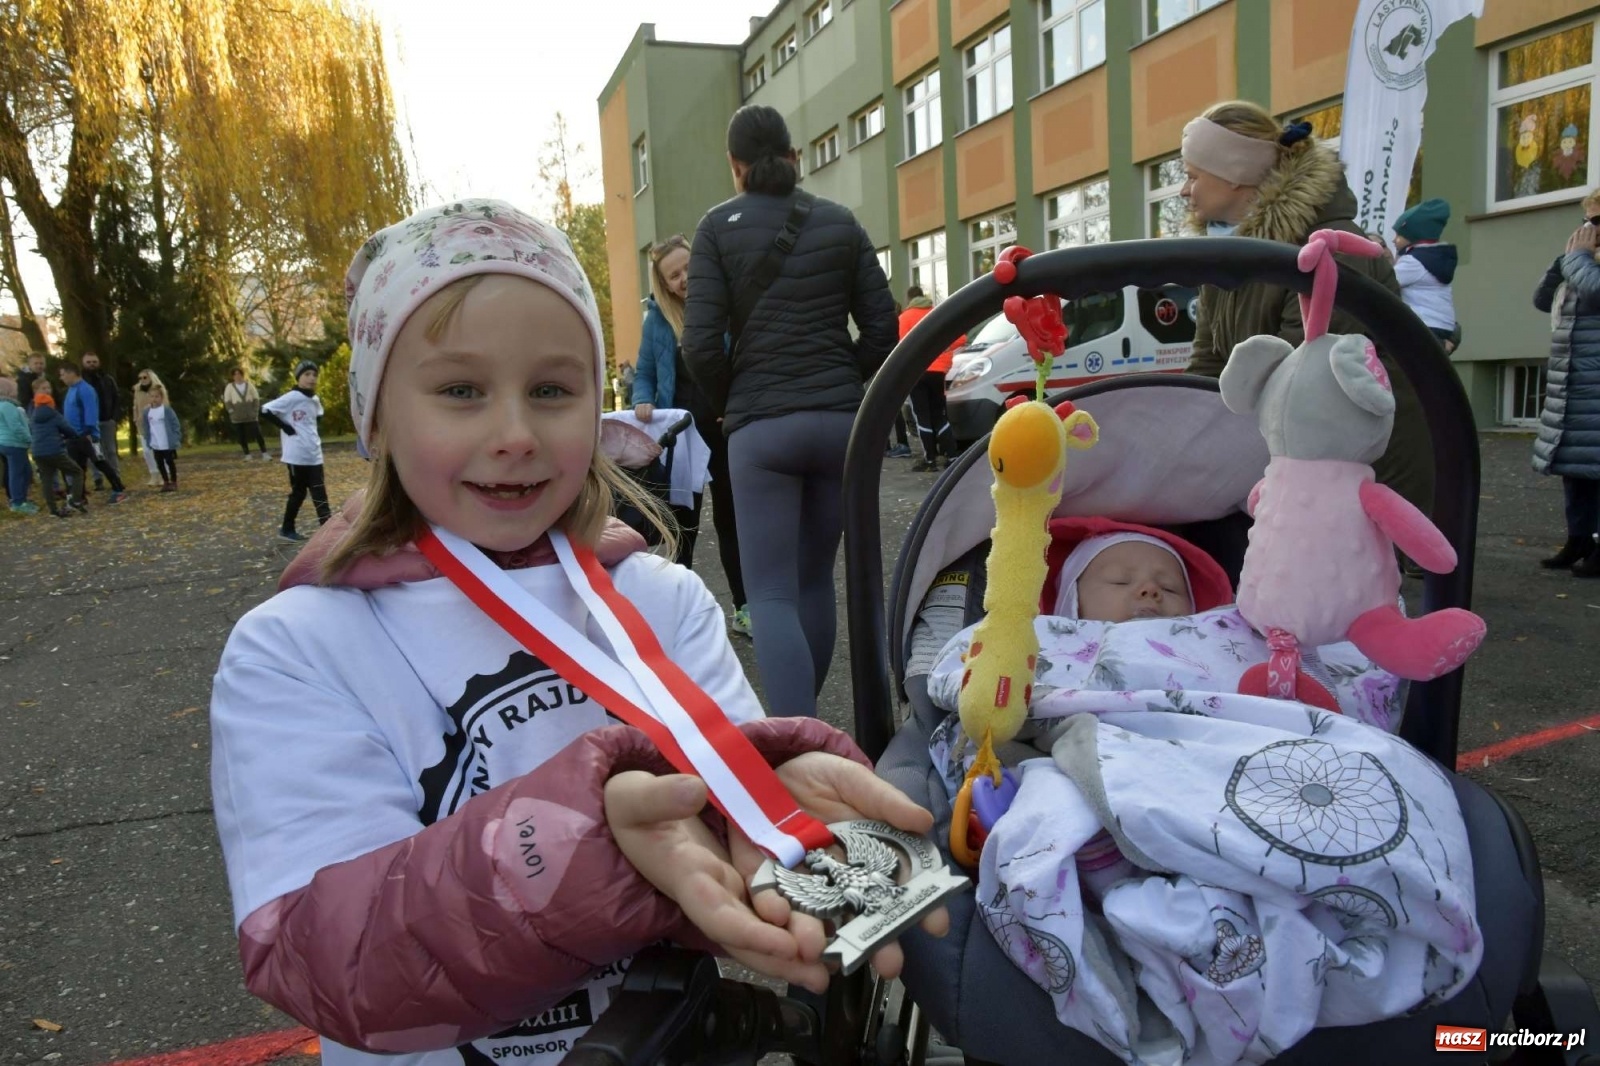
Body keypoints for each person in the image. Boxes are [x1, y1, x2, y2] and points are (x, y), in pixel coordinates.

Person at [209, 199, 945, 1065]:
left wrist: (777, 804)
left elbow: (743, 829)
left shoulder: (663, 601)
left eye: (552, 391)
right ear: (375, 417)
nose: (515, 434)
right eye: (460, 391)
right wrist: (587, 850)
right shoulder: (296, 650)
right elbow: (324, 954)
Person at [682, 104, 898, 717]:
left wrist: (733, 401)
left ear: (735, 165)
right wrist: (841, 377)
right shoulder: (840, 222)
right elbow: (882, 329)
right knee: (812, 580)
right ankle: (807, 727)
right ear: (794, 156)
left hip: (762, 430)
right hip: (839, 425)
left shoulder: (715, 228)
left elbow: (699, 346)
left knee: (770, 593)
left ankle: (793, 740)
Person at [1180, 100, 1434, 519]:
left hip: (1364, 473)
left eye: (1193, 176)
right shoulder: (1227, 255)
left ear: (1235, 175)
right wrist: (1179, 428)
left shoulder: (1326, 248)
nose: (1184, 190)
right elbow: (1209, 363)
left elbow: (1306, 383)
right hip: (1295, 463)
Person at [634, 233, 750, 635]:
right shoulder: (658, 321)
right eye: (674, 275)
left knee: (732, 521)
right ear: (664, 284)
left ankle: (744, 607)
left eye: (688, 267)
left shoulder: (725, 308)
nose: (684, 278)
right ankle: (676, 611)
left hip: (725, 431)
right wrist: (642, 398)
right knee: (683, 525)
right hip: (683, 438)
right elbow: (645, 372)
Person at [1532, 192, 1600, 577]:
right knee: (1576, 467)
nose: (1590, 229)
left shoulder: (1586, 265)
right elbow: (1543, 300)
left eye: (1598, 222)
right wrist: (1563, 262)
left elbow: (1596, 291)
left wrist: (1577, 260)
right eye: (1587, 221)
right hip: (1575, 382)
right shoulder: (1583, 262)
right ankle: (1579, 539)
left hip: (1594, 380)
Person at [260, 360, 330, 542]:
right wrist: (286, 427)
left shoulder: (314, 399)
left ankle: (328, 529)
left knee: (319, 492)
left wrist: (311, 433)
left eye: (314, 375)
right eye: (307, 374)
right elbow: (265, 410)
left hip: (314, 454)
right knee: (298, 493)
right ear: (298, 377)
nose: (311, 378)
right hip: (296, 455)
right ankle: (287, 528)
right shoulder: (291, 397)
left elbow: (319, 415)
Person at [897, 285, 966, 472]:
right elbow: (961, 338)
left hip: (917, 373)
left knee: (922, 417)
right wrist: (943, 348)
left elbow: (902, 347)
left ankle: (930, 460)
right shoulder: (937, 314)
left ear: (909, 299)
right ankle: (952, 456)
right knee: (939, 416)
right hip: (939, 372)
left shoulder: (905, 317)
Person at [1391, 198, 1459, 354]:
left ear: (1414, 235)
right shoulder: (1434, 258)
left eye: (1399, 234)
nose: (1394, 240)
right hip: (1442, 326)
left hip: (1424, 324)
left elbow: (1385, 281)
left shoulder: (1414, 262)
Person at [58, 361, 129, 503]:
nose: (61, 378)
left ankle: (118, 489)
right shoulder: (71, 390)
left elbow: (90, 412)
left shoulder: (85, 390)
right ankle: (80, 495)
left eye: (63, 374)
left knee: (100, 462)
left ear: (71, 373)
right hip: (73, 436)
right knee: (78, 467)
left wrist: (88, 431)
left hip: (86, 435)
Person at [29, 377, 84, 518]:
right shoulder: (53, 412)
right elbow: (67, 428)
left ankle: (53, 510)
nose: (48, 391)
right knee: (77, 472)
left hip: (37, 451)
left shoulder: (33, 412)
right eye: (44, 388)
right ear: (36, 391)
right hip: (54, 450)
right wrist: (74, 435)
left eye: (49, 388)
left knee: (46, 479)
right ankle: (75, 501)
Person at [80, 351, 123, 489]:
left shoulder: (108, 379)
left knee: (111, 451)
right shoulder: (80, 382)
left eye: (94, 362)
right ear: (83, 363)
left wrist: (114, 418)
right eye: (88, 362)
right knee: (93, 451)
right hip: (89, 423)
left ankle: (116, 477)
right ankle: (98, 479)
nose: (92, 364)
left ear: (99, 363)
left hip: (107, 420)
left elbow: (116, 398)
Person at [0, 376, 37, 513]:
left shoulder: (4, 405)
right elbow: (15, 426)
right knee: (18, 473)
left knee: (25, 472)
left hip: (8, 442)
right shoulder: (8, 406)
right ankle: (18, 502)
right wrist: (28, 438)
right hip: (14, 444)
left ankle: (21, 499)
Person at [223, 368, 270, 460]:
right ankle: (247, 454)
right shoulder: (230, 387)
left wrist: (255, 410)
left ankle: (264, 453)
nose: (237, 376)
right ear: (232, 376)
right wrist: (232, 412)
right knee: (241, 436)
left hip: (251, 414)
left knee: (258, 434)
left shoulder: (249, 385)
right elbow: (227, 401)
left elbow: (256, 398)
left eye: (239, 374)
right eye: (235, 374)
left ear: (242, 375)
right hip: (237, 416)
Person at [143, 385, 182, 492]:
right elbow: (146, 426)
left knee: (169, 461)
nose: (154, 399)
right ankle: (165, 481)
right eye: (152, 396)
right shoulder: (147, 412)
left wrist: (175, 437)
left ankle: (173, 481)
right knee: (159, 462)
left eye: (157, 396)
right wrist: (148, 439)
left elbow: (175, 424)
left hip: (167, 442)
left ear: (161, 397)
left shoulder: (166, 410)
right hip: (155, 443)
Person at [132, 369, 167, 486]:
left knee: (160, 450)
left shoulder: (159, 388)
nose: (142, 380)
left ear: (151, 377)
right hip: (143, 424)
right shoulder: (137, 390)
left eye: (145, 377)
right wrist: (136, 418)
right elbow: (135, 405)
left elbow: (165, 404)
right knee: (147, 451)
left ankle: (164, 474)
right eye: (140, 378)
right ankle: (153, 474)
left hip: (157, 423)